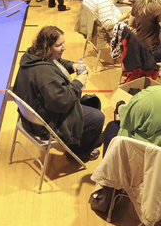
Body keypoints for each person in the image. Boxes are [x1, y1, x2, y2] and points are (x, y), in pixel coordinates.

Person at [12, 25, 104, 162]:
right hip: (45, 125)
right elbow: (63, 102)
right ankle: (79, 153)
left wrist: (71, 65)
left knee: (91, 103)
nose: (64, 47)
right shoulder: (45, 76)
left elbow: (56, 62)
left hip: (31, 117)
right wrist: (78, 82)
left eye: (63, 43)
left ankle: (86, 138)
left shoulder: (32, 56)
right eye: (59, 45)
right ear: (46, 47)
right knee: (98, 116)